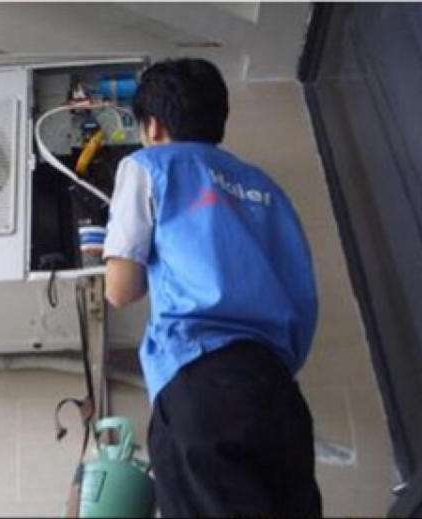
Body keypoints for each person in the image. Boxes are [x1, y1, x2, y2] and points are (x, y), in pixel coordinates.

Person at [102, 58, 322, 517]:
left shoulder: (148, 165)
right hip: (278, 391)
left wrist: (110, 254)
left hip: (201, 383)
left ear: (153, 126)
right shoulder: (267, 188)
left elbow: (122, 290)